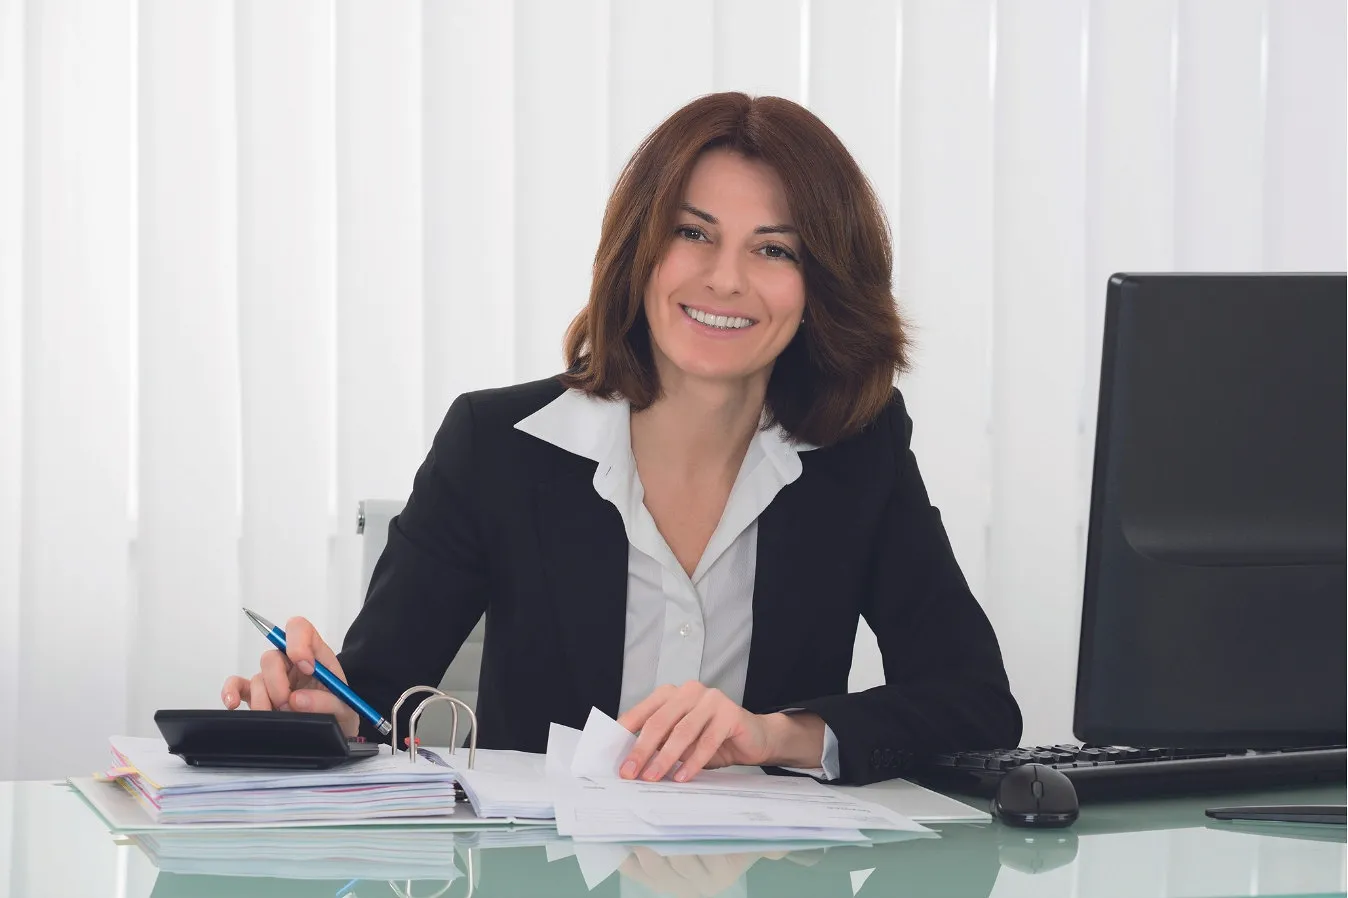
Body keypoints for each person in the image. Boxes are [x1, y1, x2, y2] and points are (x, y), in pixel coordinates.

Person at [221, 91, 1021, 786]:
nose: (726, 279)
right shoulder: (496, 445)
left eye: (774, 249)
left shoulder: (859, 452)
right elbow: (381, 694)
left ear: (821, 286)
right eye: (693, 234)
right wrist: (322, 707)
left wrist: (775, 736)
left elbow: (975, 702)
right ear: (640, 252)